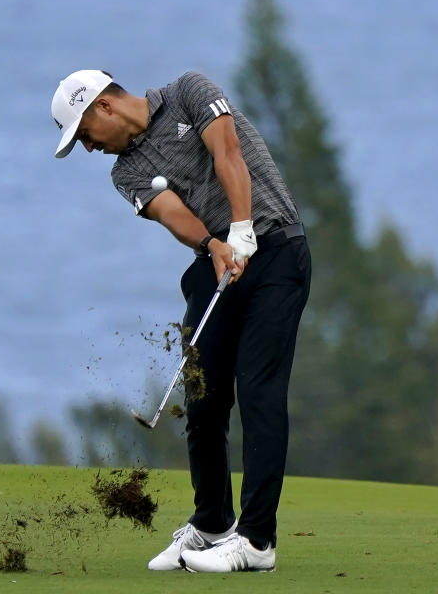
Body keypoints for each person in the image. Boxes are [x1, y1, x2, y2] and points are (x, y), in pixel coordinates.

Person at [51, 69, 311, 573]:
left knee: (258, 391)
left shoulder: (190, 92)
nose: (87, 147)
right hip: (217, 265)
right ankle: (213, 525)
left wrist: (241, 228)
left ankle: (257, 543)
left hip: (276, 251)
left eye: (83, 134)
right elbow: (173, 213)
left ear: (103, 107)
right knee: (203, 395)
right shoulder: (124, 172)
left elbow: (228, 152)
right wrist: (215, 245)